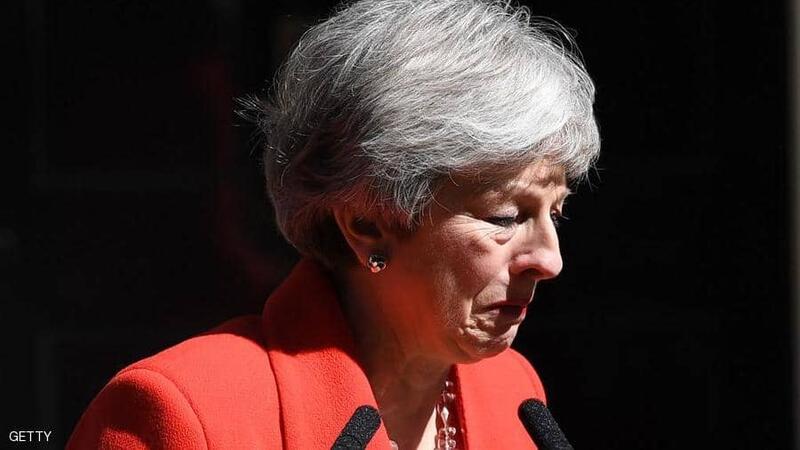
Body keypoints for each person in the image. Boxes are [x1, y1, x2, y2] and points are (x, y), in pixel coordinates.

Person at [68, 0, 599, 448]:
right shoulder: (183, 411)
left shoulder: (512, 393)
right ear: (367, 223)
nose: (550, 260)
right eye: (505, 216)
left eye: (555, 213)